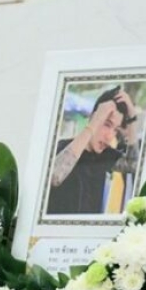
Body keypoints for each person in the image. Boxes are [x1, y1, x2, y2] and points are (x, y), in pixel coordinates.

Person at [47, 85, 140, 214]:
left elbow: (133, 165)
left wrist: (132, 119)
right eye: (107, 124)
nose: (110, 136)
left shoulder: (105, 156)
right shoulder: (64, 147)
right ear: (93, 117)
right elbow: (54, 177)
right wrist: (95, 122)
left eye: (115, 129)